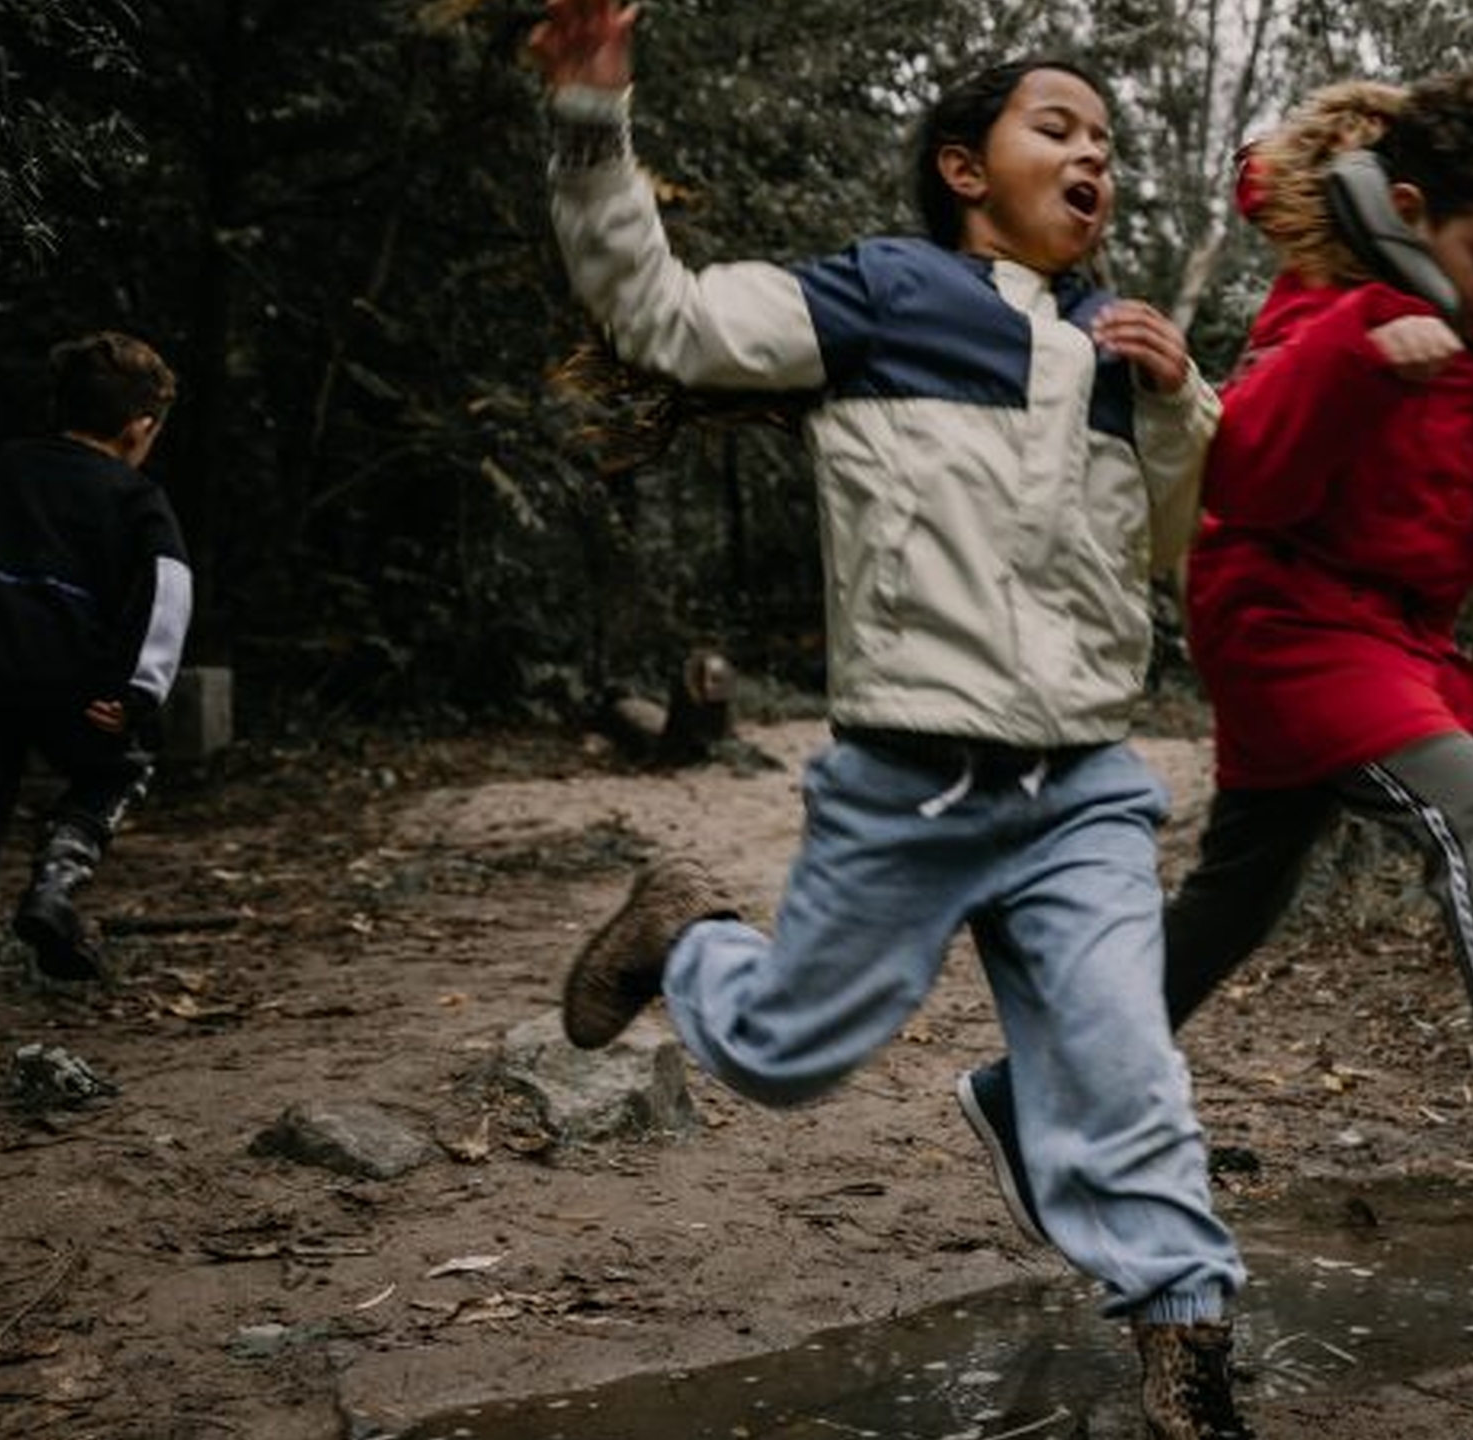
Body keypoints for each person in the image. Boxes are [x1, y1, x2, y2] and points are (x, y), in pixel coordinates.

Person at [525, 4, 1253, 1434]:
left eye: (1106, 142)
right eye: (1059, 127)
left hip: (1082, 790)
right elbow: (658, 315)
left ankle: (1187, 1342)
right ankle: (685, 934)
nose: (1092, 153)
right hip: (907, 782)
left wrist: (1178, 406)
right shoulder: (876, 298)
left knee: (1126, 1061)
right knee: (788, 1053)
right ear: (963, 167)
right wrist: (590, 117)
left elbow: (1166, 545)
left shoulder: (1126, 351)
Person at [958, 68, 1473, 1271]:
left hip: (1387, 639)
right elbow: (1245, 479)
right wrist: (1363, 356)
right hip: (1291, 624)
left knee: (1235, 897)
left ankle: (1030, 1094)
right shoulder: (1325, 311)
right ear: (1403, 206)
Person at [0, 331, 190, 1039]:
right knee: (120, 769)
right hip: (72, 690)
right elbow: (168, 595)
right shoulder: (136, 497)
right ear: (140, 429)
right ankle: (55, 882)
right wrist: (139, 694)